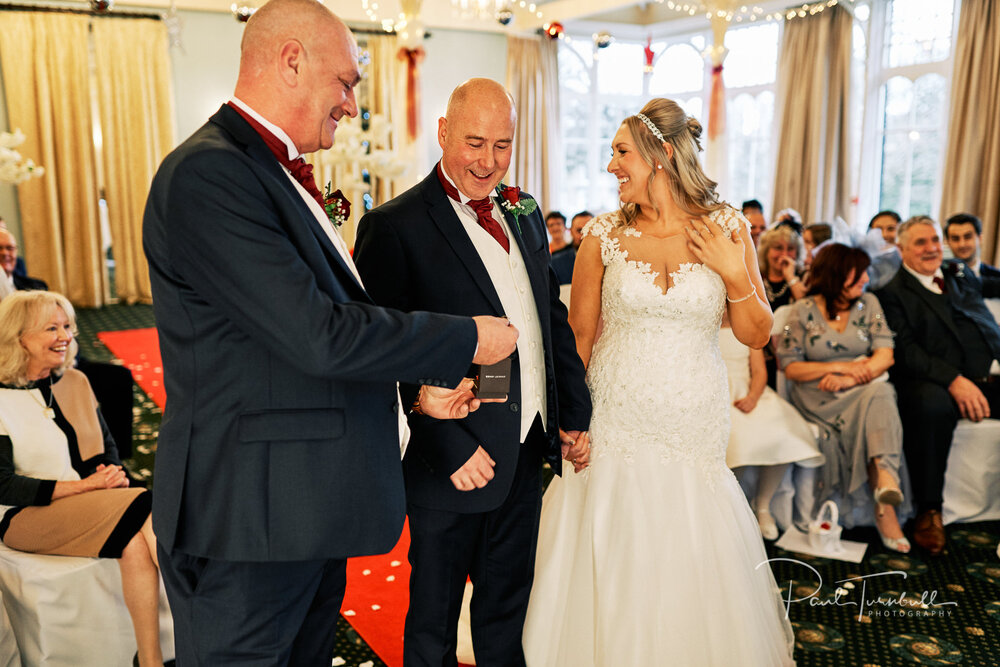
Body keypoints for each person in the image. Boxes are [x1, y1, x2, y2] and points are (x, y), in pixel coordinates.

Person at [142, 3, 517, 663]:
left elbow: (285, 349)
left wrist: (415, 402)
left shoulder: (268, 172)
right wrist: (465, 339)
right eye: (345, 81)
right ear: (291, 61)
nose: (350, 104)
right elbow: (320, 334)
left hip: (299, 507)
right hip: (248, 519)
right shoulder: (212, 172)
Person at [522, 98, 792, 665]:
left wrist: (731, 268)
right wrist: (572, 420)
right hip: (615, 416)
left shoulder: (726, 228)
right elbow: (579, 339)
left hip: (693, 419)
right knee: (616, 539)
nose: (610, 165)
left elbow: (757, 332)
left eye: (621, 152)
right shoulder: (602, 236)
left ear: (661, 155)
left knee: (688, 539)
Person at [353, 77, 591, 667]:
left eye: (503, 146)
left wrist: (571, 415)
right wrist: (447, 446)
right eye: (475, 143)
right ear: (443, 133)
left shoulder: (525, 211)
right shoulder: (394, 226)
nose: (489, 162)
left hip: (528, 445)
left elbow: (547, 318)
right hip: (451, 459)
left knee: (507, 609)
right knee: (432, 620)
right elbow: (382, 356)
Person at [0, 291, 163, 665]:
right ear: (17, 337)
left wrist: (107, 471)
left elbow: (105, 446)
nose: (66, 336)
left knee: (134, 544)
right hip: (23, 516)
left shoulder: (73, 381)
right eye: (51, 328)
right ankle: (207, 610)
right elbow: (3, 485)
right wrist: (87, 486)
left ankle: (151, 660)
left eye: (68, 327)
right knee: (148, 503)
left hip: (86, 503)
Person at [875, 217, 1000, 556]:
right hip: (934, 381)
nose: (931, 248)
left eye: (933, 240)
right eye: (920, 242)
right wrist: (954, 380)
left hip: (990, 375)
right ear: (901, 249)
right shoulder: (891, 294)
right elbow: (907, 352)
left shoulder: (959, 272)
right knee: (930, 404)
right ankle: (929, 511)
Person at [776, 243, 910, 552]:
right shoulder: (802, 310)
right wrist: (836, 367)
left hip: (858, 388)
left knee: (880, 390)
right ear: (837, 274)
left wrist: (849, 377)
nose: (866, 278)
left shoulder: (870, 303)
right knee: (879, 394)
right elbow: (790, 366)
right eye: (858, 272)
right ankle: (885, 496)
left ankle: (885, 484)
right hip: (817, 394)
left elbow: (885, 355)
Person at [720, 320, 824, 540]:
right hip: (716, 396)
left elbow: (759, 372)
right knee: (734, 441)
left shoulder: (746, 328)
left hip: (747, 393)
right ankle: (733, 508)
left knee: (783, 434)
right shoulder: (704, 325)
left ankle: (763, 505)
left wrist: (752, 397)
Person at [945, 213, 999, 279]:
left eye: (968, 237)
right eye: (955, 239)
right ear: (948, 242)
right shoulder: (941, 274)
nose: (962, 244)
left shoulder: (997, 277)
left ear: (980, 238)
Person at [546, 211, 576, 285]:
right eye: (551, 225)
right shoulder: (545, 252)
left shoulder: (573, 249)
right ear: (548, 229)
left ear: (565, 226)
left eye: (558, 224)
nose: (555, 228)